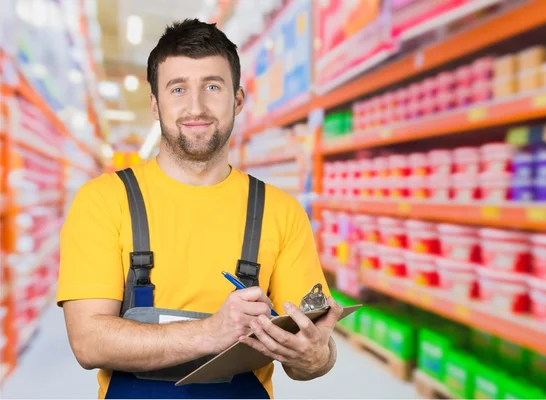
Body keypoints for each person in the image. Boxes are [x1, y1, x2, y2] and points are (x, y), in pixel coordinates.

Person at [57, 19, 342, 399]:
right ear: (155, 103)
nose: (196, 106)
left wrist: (317, 356)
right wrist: (211, 332)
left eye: (212, 86)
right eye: (178, 89)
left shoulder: (281, 212)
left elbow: (309, 352)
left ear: (237, 100)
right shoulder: (104, 200)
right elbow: (88, 342)